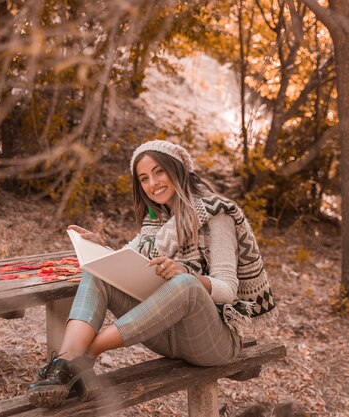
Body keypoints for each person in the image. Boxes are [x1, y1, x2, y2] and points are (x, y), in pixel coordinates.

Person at [27, 140, 277, 408]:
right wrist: (101, 247)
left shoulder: (218, 215)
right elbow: (126, 263)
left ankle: (83, 357)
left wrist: (189, 276)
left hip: (213, 342)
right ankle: (67, 359)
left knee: (185, 284)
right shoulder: (156, 220)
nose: (152, 183)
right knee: (98, 271)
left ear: (178, 170)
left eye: (159, 172)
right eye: (144, 178)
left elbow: (228, 289)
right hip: (167, 334)